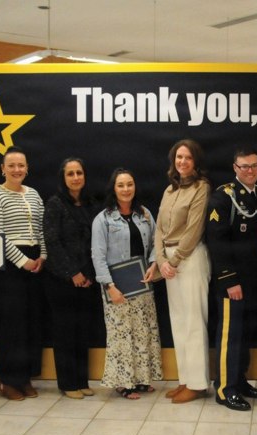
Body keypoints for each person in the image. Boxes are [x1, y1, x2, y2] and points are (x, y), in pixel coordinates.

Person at [0, 146, 46, 401]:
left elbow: (42, 228)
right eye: (12, 166)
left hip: (35, 262)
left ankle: (25, 377)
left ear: (27, 168)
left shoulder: (34, 194)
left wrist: (42, 257)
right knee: (12, 326)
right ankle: (7, 379)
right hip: (10, 268)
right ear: (2, 169)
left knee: (30, 323)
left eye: (21, 165)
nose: (17, 170)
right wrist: (23, 261)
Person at [205, 147, 257, 411]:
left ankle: (239, 380)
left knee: (244, 335)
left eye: (254, 165)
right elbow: (217, 242)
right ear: (235, 168)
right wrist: (229, 280)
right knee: (229, 336)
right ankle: (224, 388)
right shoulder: (223, 197)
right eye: (244, 166)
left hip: (253, 280)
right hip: (232, 281)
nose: (250, 170)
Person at [92, 168, 162, 399]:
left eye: (129, 184)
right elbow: (98, 256)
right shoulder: (103, 219)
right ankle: (124, 383)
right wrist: (109, 287)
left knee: (143, 333)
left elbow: (155, 244)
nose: (126, 189)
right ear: (114, 188)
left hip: (142, 284)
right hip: (117, 288)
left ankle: (141, 379)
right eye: (121, 185)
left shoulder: (144, 214)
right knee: (121, 336)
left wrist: (153, 264)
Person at [154, 139, 211, 404]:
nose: (183, 162)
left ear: (195, 162)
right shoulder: (169, 190)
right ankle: (185, 380)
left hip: (189, 260)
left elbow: (194, 229)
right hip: (168, 263)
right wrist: (160, 259)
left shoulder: (201, 188)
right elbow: (158, 230)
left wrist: (173, 260)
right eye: (179, 157)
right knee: (178, 323)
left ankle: (198, 384)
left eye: (188, 158)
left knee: (193, 323)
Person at [43, 157, 101, 399]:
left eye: (79, 172)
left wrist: (87, 274)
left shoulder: (90, 203)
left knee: (82, 331)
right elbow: (52, 243)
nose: (76, 177)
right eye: (70, 174)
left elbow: (95, 242)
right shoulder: (55, 204)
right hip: (62, 280)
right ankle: (67, 383)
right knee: (65, 333)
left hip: (87, 279)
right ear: (63, 178)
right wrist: (73, 273)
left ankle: (81, 379)